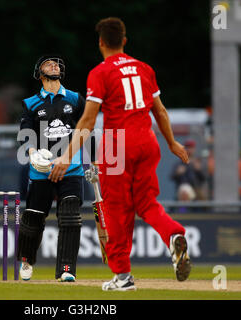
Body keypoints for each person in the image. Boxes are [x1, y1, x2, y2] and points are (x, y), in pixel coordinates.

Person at [50, 17, 192, 291]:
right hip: (148, 141)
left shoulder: (100, 73)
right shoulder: (145, 69)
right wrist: (172, 143)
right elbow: (160, 110)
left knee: (116, 210)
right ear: (124, 41)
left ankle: (123, 276)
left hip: (117, 144)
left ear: (101, 42)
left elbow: (88, 121)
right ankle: (173, 233)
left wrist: (66, 156)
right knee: (147, 203)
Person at [17, 55, 87, 282]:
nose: (54, 66)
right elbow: (25, 133)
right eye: (48, 64)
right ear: (39, 74)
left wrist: (94, 161)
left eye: (56, 64)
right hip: (42, 168)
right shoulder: (30, 103)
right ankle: (26, 261)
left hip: (71, 166)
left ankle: (67, 269)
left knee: (69, 216)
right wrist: (32, 154)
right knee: (34, 218)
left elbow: (87, 129)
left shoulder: (76, 99)